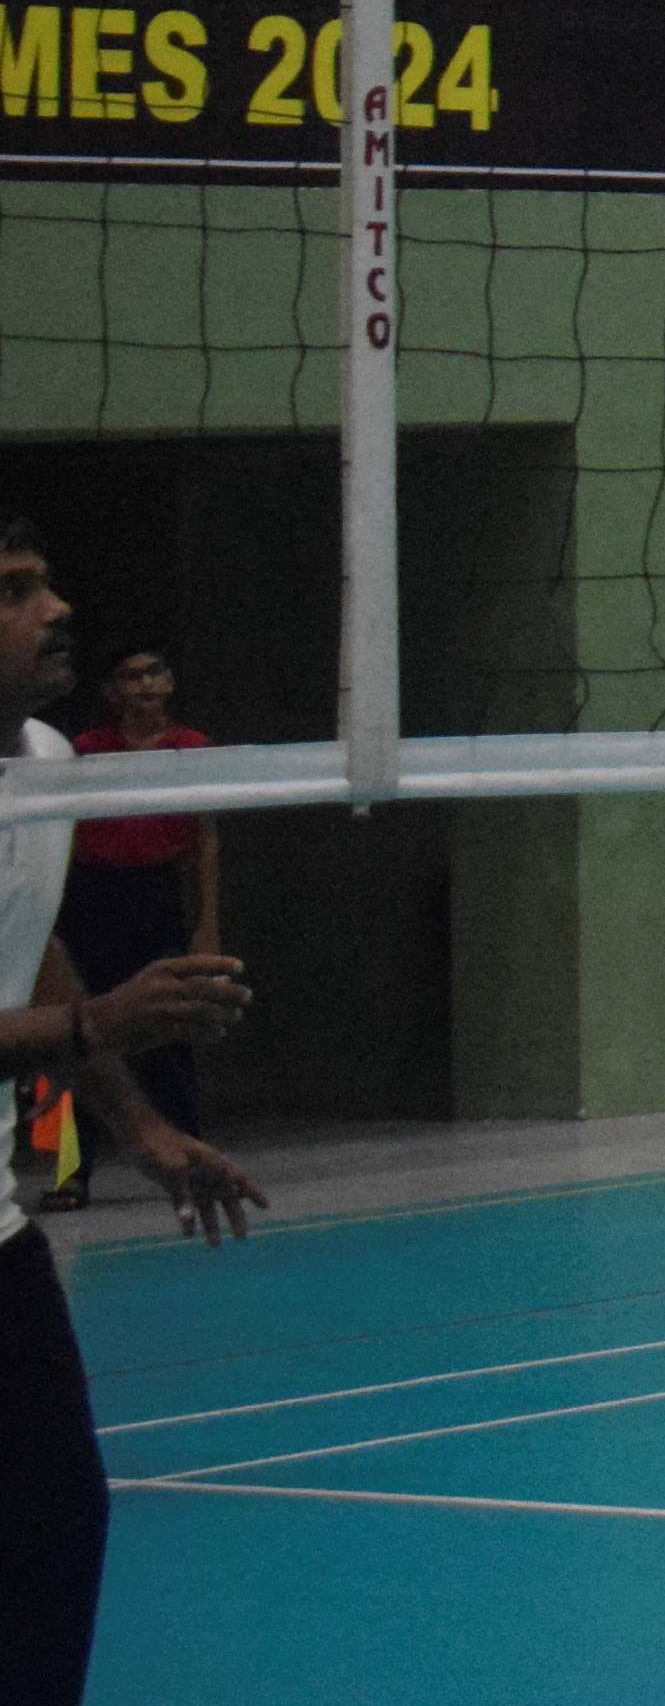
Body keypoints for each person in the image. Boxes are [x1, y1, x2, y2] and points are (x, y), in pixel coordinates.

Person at [0, 515, 266, 1706]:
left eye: (47, 581)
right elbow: (74, 1001)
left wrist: (139, 1127)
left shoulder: (51, 764)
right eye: (15, 591)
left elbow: (29, 942)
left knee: (57, 1523)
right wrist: (100, 1024)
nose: (56, 608)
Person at [53, 647, 219, 1207]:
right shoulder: (87, 751)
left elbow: (204, 840)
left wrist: (207, 925)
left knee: (171, 1030)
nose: (145, 684)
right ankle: (71, 1173)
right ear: (112, 692)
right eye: (131, 676)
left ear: (169, 682)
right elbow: (68, 831)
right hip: (92, 897)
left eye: (154, 672)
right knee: (78, 1031)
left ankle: (193, 1158)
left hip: (156, 896)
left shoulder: (192, 748)